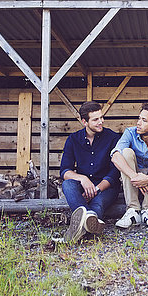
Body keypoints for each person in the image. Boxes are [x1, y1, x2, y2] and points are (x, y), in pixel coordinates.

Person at [60, 101, 120, 243]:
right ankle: (92, 225)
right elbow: (64, 171)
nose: (101, 122)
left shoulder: (112, 138)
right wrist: (82, 179)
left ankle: (77, 230)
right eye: (96, 119)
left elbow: (115, 173)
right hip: (83, 186)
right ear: (84, 122)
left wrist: (96, 189)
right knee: (68, 185)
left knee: (97, 203)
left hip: (106, 187)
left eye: (101, 118)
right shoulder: (73, 139)